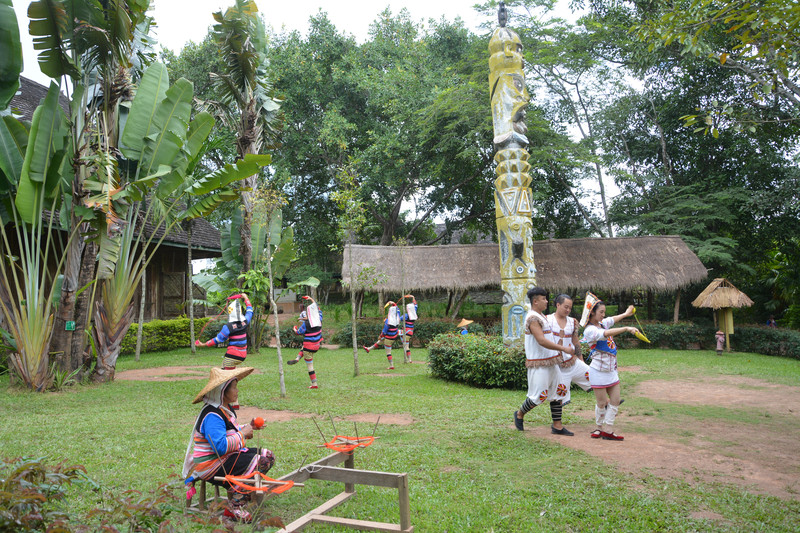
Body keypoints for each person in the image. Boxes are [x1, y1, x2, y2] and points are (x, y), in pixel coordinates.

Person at [182, 367, 274, 523]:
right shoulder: (212, 415)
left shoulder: (224, 409)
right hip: (211, 464)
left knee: (268, 456)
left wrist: (250, 426)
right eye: (234, 387)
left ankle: (239, 490)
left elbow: (231, 431)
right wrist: (243, 434)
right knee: (262, 462)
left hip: (224, 458)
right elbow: (221, 447)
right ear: (222, 391)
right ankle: (234, 506)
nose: (237, 391)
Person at [514, 287, 576, 436]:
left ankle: (557, 426)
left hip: (551, 361)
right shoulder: (533, 318)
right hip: (539, 363)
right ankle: (519, 414)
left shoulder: (541, 316)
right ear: (535, 301)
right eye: (544, 299)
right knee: (539, 396)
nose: (547, 301)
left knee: (559, 392)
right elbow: (541, 341)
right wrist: (563, 348)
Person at [580, 295, 640, 441]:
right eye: (601, 312)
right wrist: (626, 328)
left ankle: (608, 429)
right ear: (592, 313)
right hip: (598, 371)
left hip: (611, 370)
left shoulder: (602, 323)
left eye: (604, 312)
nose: (603, 315)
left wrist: (626, 314)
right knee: (601, 403)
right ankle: (599, 428)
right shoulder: (589, 330)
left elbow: (612, 320)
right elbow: (604, 334)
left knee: (615, 400)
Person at [547, 294, 591, 405]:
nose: (568, 310)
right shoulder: (547, 320)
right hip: (556, 365)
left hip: (572, 361)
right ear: (558, 305)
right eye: (566, 307)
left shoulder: (572, 322)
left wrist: (581, 359)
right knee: (558, 395)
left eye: (570, 308)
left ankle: (606, 402)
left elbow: (576, 342)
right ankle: (557, 422)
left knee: (594, 376)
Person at [196, 294, 253, 373]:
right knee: (228, 371)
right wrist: (246, 298)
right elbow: (250, 311)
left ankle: (230, 383)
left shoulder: (228, 327)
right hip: (243, 355)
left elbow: (218, 340)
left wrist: (203, 344)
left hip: (232, 355)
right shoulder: (245, 321)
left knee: (226, 375)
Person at [287, 296, 323, 389]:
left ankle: (314, 385)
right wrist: (311, 299)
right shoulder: (319, 318)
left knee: (310, 366)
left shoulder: (305, 324)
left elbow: (298, 332)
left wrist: (294, 328)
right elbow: (317, 309)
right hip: (317, 346)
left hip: (309, 347)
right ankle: (297, 358)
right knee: (304, 348)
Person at [363, 301, 401, 369]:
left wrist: (380, 336)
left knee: (388, 352)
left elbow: (384, 332)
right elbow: (397, 310)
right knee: (379, 342)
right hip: (393, 337)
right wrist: (393, 304)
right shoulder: (397, 318)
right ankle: (369, 349)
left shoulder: (388, 321)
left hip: (388, 338)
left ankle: (391, 365)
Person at [400, 294, 418, 363]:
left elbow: (399, 319)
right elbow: (416, 306)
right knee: (407, 345)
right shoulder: (414, 314)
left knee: (406, 346)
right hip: (411, 332)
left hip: (405, 332)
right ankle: (409, 359)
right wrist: (413, 297)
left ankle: (408, 359)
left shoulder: (406, 315)